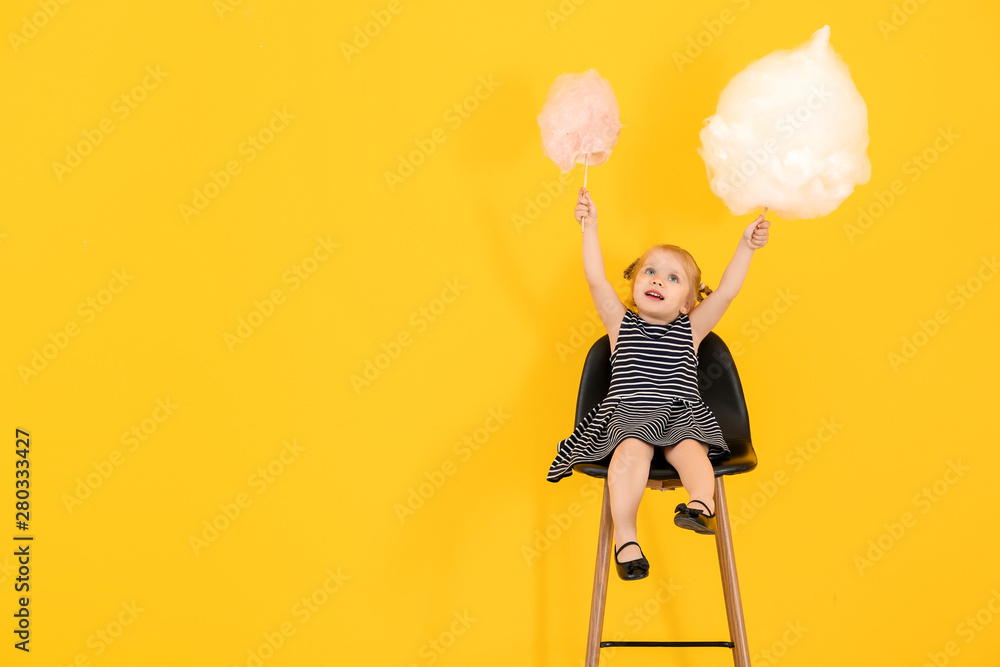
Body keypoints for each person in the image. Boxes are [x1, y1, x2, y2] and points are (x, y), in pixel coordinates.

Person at [545, 186, 770, 581]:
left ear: (687, 303)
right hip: (629, 415)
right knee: (630, 453)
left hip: (680, 414)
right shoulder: (620, 324)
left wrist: (746, 245)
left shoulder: (692, 329)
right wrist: (590, 225)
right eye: (650, 271)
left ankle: (700, 506)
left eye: (673, 278)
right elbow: (595, 279)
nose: (658, 281)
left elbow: (729, 291)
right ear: (634, 284)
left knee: (690, 451)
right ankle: (626, 538)